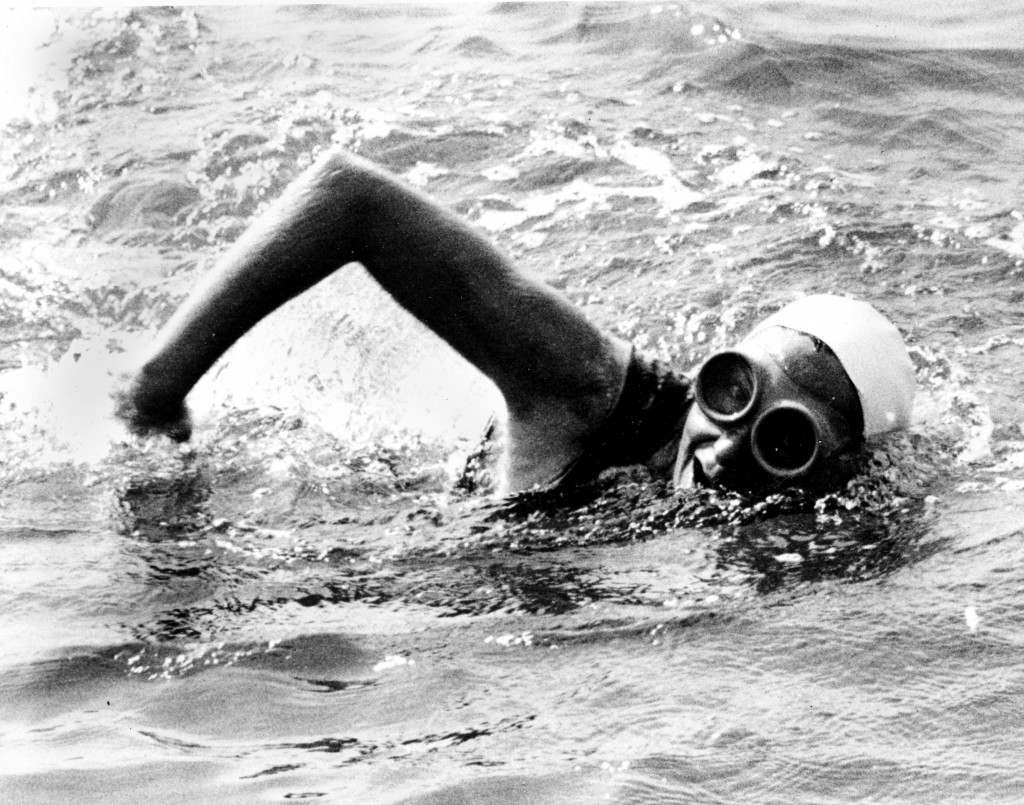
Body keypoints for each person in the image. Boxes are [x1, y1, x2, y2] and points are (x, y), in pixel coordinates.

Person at [117, 149, 916, 496]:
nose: (725, 447)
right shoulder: (593, 392)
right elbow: (348, 196)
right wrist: (159, 388)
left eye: (784, 442)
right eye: (733, 392)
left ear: (839, 470)